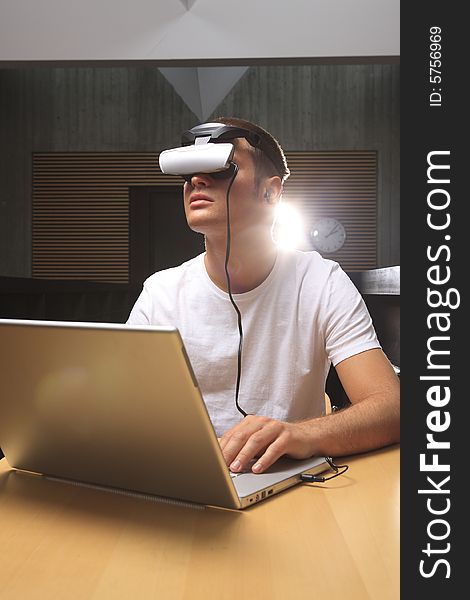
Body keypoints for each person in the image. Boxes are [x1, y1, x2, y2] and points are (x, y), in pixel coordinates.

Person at [127, 116, 400, 475]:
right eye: (189, 174)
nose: (196, 180)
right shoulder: (160, 293)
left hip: (290, 479)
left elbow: (391, 408)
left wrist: (298, 434)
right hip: (189, 475)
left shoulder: (320, 282)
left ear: (270, 192)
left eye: (220, 169)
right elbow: (121, 409)